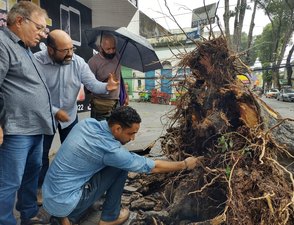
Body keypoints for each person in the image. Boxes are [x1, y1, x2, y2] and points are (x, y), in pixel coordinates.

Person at [42, 106, 200, 225]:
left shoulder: (87, 124)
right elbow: (152, 166)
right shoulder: (111, 151)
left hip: (50, 196)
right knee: (120, 166)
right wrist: (185, 164)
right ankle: (109, 217)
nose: (133, 139)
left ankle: (68, 214)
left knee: (103, 165)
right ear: (117, 128)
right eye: (131, 133)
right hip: (68, 204)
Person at [34, 29, 119, 203]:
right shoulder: (36, 62)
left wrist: (106, 87)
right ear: (50, 50)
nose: (70, 54)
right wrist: (55, 111)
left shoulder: (78, 62)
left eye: (72, 49)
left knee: (74, 151)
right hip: (44, 116)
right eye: (65, 50)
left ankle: (71, 184)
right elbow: (34, 95)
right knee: (40, 156)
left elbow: (92, 83)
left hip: (70, 116)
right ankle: (40, 188)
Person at [0, 2, 55, 225]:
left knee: (31, 175)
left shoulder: (24, 48)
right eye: (39, 28)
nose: (42, 35)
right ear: (20, 21)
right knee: (9, 181)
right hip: (17, 129)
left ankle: (28, 213)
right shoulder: (2, 44)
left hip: (35, 127)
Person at [88, 33, 129, 121]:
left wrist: (125, 94)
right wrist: (106, 84)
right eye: (108, 49)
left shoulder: (117, 56)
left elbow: (119, 76)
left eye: (113, 48)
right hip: (101, 106)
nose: (111, 51)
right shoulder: (93, 62)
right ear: (99, 47)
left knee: (116, 131)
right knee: (100, 132)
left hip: (117, 103)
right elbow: (88, 86)